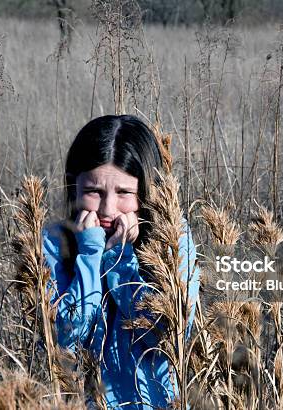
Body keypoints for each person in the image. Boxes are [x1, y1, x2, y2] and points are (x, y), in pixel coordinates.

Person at [41, 115, 200, 409]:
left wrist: (120, 257)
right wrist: (90, 257)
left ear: (147, 192)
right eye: (94, 191)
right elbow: (64, 336)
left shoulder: (174, 239)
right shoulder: (54, 241)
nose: (107, 209)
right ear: (73, 187)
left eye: (125, 192)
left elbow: (163, 336)